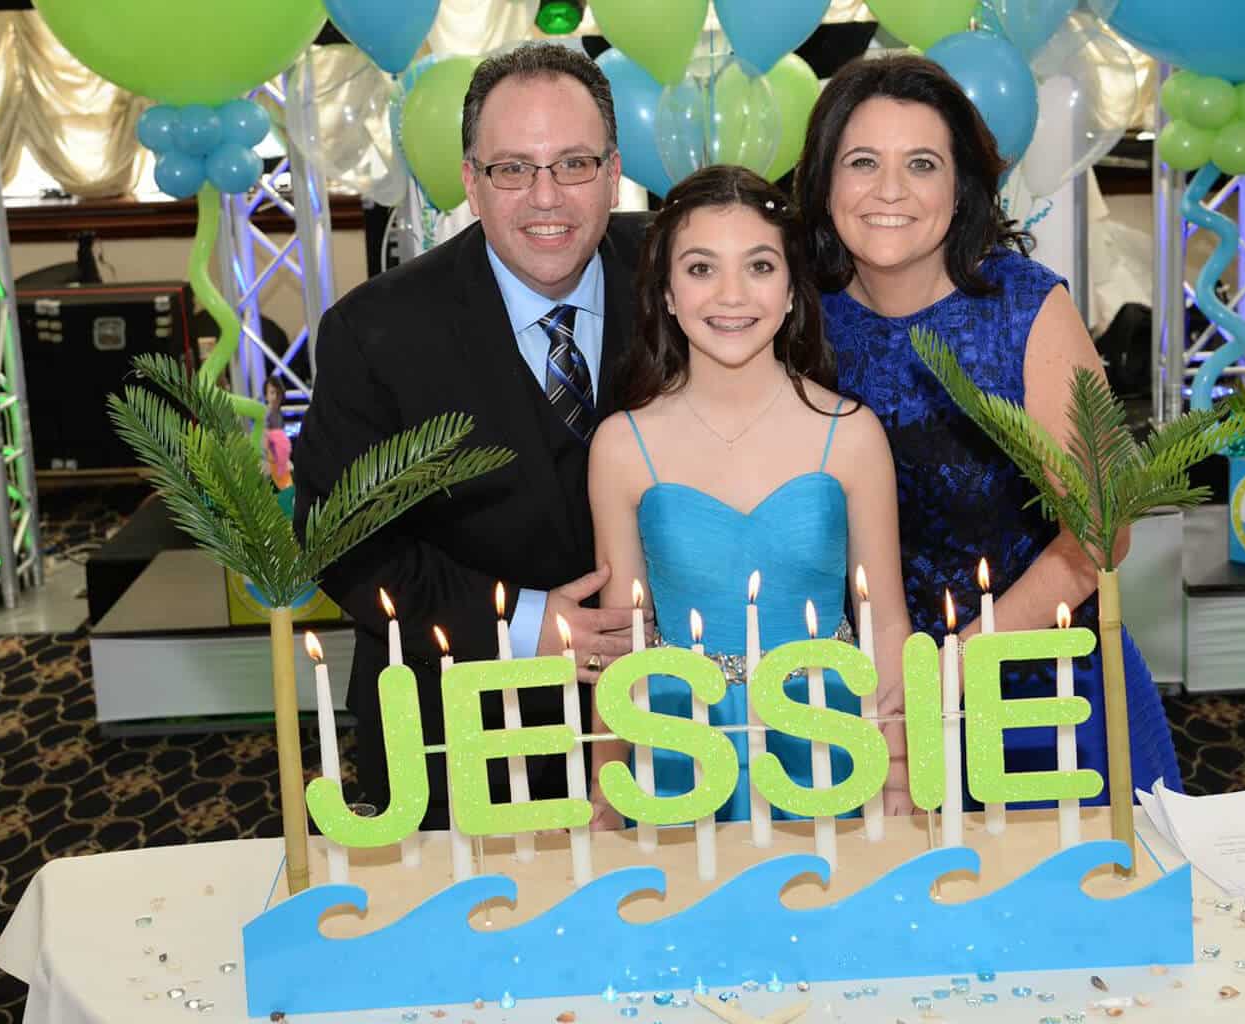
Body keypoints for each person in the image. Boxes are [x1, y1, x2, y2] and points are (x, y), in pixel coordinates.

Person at [795, 53, 1182, 804]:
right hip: (863, 705)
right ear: (824, 180)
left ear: (961, 184)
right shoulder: (793, 315)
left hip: (1044, 694)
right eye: (862, 161)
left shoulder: (1024, 308)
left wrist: (950, 669)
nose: (890, 191)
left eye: (922, 163)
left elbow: (1100, 534)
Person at [292, 43, 650, 819]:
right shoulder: (375, 330)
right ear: (470, 182)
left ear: (613, 171)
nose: (545, 198)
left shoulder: (684, 279)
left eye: (574, 164)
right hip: (453, 728)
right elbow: (343, 542)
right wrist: (526, 622)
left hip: (673, 724)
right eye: (512, 169)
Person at [585, 165, 914, 827]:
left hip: (826, 744)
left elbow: (885, 629)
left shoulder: (849, 435)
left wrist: (899, 783)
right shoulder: (621, 446)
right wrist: (602, 802)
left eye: (759, 266)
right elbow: (624, 643)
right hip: (681, 754)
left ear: (792, 290)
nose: (730, 295)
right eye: (701, 269)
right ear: (668, 295)